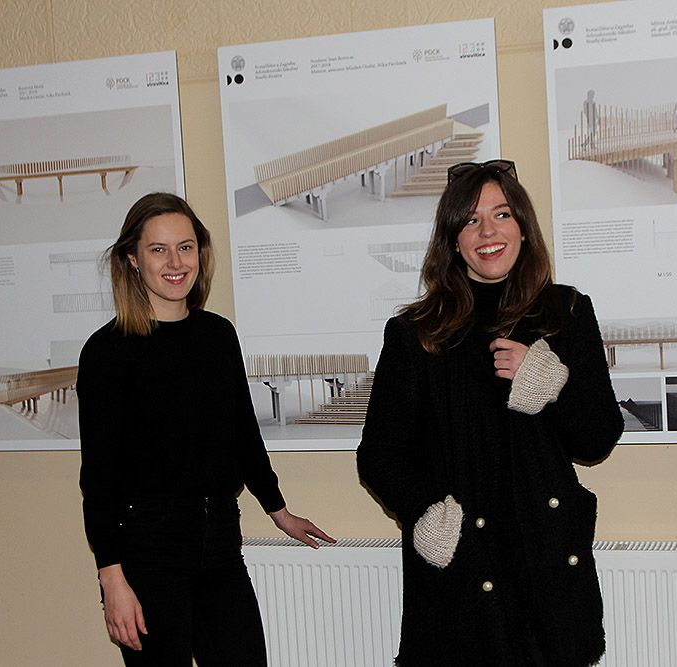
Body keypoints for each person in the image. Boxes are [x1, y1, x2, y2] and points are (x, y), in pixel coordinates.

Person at [356, 159, 623, 666]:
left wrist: (548, 385)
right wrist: (424, 510)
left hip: (545, 564)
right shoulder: (416, 333)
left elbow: (597, 437)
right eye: (471, 220)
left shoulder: (565, 313)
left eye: (502, 214)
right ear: (452, 239)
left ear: (523, 227)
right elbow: (380, 454)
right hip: (461, 564)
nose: (488, 232)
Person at [78, 192, 335, 665]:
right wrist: (111, 578)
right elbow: (98, 477)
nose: (175, 262)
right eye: (158, 249)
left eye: (186, 247)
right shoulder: (107, 352)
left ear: (200, 252)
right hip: (147, 550)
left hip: (219, 538)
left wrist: (278, 510)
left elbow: (243, 434)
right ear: (132, 259)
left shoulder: (217, 336)